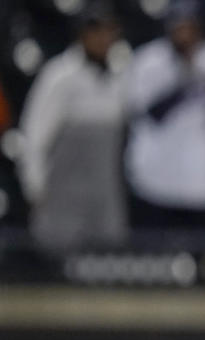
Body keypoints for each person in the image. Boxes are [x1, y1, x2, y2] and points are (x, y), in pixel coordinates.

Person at [124, 0, 205, 240]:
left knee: (202, 265)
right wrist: (188, 80)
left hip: (202, 183)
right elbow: (152, 115)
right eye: (180, 27)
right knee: (154, 266)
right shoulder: (149, 60)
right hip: (155, 182)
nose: (186, 34)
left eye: (191, 27)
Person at [17, 3, 127, 252]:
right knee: (58, 268)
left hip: (104, 194)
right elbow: (35, 137)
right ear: (83, 35)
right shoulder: (60, 76)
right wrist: (35, 188)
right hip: (62, 196)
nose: (103, 39)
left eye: (109, 32)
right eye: (96, 32)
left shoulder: (118, 77)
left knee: (106, 269)